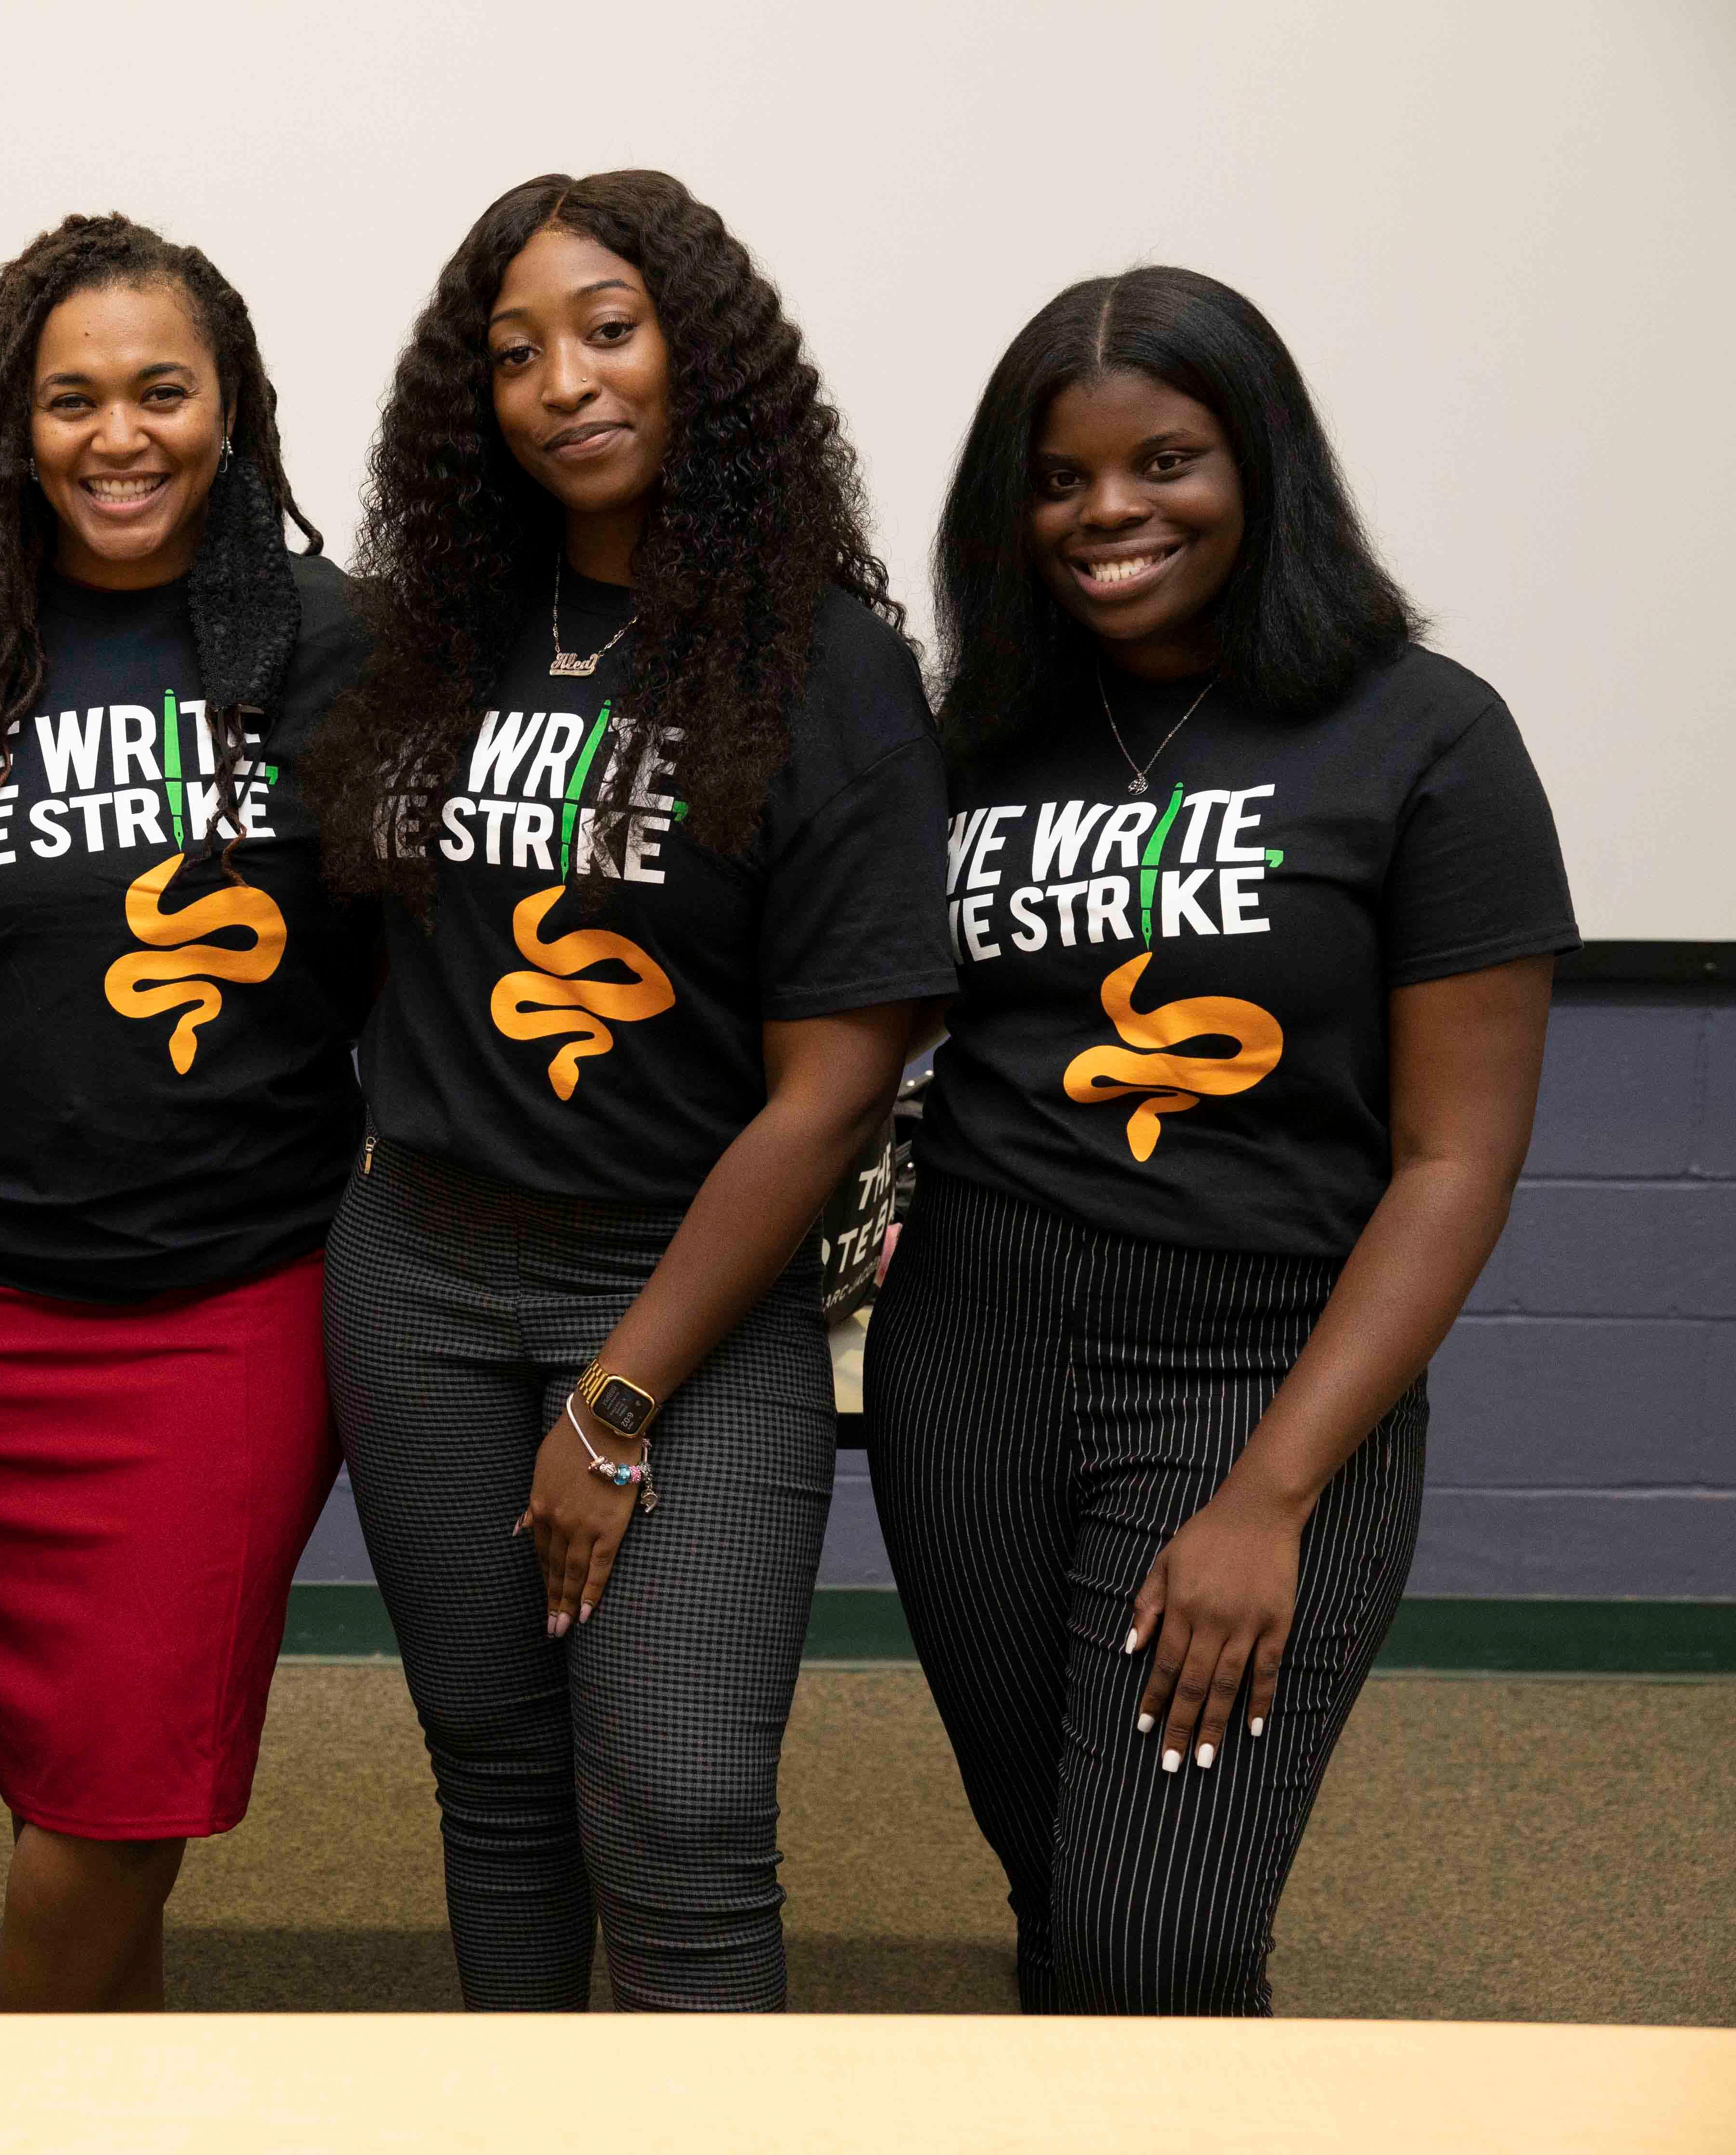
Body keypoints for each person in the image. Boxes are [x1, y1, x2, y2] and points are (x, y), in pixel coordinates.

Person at [864, 266, 1574, 2015]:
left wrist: (1271, 1494)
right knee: (1057, 1880)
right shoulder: (980, 744)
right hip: (972, 1353)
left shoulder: (1427, 737)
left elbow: (1455, 1163)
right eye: (1059, 479)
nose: (1110, 511)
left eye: (1165, 460)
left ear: (1260, 468)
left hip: (1255, 1368)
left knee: (1157, 1937)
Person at [304, 170, 953, 2012]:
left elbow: (834, 1091)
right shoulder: (425, 637)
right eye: (515, 355)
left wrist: (615, 1405)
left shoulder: (825, 664)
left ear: (702, 358)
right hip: (418, 1273)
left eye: (609, 330)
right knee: (499, 1787)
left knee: (674, 1813)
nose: (565, 384)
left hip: (685, 1293)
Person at [0, 215, 370, 2011]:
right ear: (13, 421)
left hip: (235, 1299)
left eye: (160, 392)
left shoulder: (336, 650)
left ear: (233, 411)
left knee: (126, 1792)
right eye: (73, 399)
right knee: (69, 1775)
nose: (117, 436)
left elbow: (399, 953)